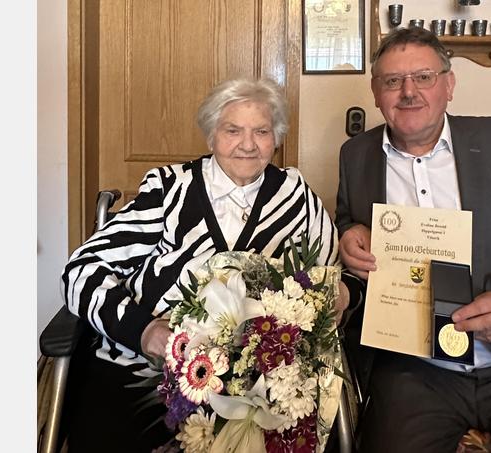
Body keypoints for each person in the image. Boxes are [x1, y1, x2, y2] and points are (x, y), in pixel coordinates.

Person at [61, 77, 349, 452]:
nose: (248, 144)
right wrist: (144, 331)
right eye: (233, 130)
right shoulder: (169, 189)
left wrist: (336, 298)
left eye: (261, 131)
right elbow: (82, 270)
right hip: (147, 370)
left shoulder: (297, 197)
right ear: (211, 136)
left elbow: (326, 282)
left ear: (276, 138)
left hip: (257, 386)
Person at [336, 27, 491, 452]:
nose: (408, 92)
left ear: (449, 84)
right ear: (376, 92)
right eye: (393, 81)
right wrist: (349, 231)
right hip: (416, 372)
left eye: (424, 77)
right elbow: (349, 217)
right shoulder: (356, 154)